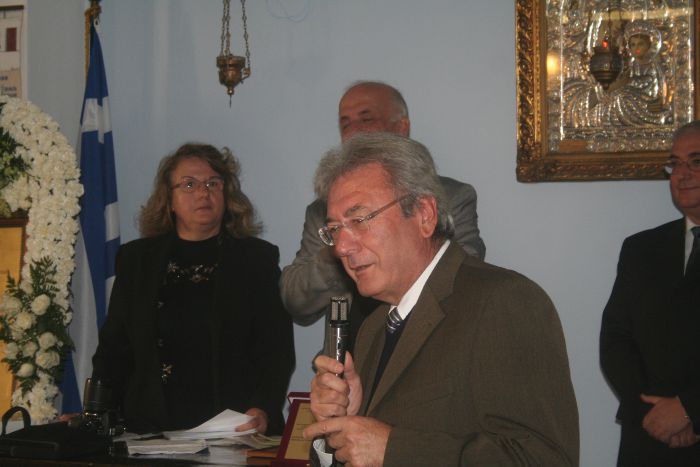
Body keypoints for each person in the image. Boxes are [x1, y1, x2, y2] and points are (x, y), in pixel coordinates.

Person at [302, 133, 579, 466]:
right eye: (334, 229)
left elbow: (543, 459)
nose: (343, 246)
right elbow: (369, 445)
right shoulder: (373, 327)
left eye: (359, 220)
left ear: (424, 214)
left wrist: (394, 450)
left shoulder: (503, 302)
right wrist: (342, 421)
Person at [91, 143, 295, 434]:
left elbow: (277, 349)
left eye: (213, 183)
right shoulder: (136, 260)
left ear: (226, 194)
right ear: (169, 199)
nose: (203, 193)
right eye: (189, 184)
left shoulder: (256, 259)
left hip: (232, 429)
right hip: (150, 429)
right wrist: (95, 414)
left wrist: (263, 407)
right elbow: (113, 349)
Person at [280, 81, 485, 352]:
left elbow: (462, 278)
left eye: (367, 120)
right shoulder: (326, 210)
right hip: (348, 358)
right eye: (345, 124)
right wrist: (338, 251)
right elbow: (295, 301)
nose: (354, 132)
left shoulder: (448, 196)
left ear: (402, 128)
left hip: (427, 350)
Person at [600, 121, 700, 466]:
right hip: (647, 439)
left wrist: (689, 411)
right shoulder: (641, 249)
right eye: (675, 164)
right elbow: (615, 340)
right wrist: (654, 414)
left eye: (696, 161)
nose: (682, 174)